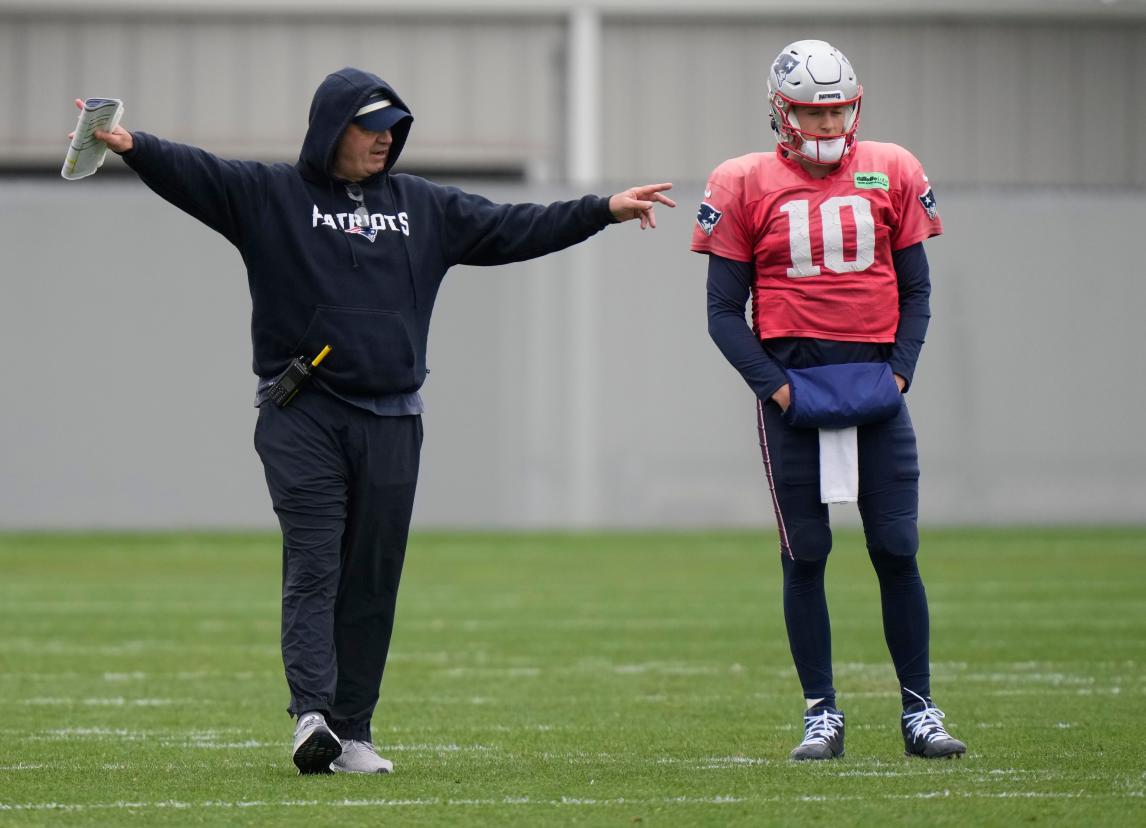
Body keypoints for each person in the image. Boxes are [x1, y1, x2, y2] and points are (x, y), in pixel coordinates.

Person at [72, 67, 675, 775]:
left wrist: (602, 208)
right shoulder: (273, 197)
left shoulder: (422, 206)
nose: (386, 141)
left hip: (394, 420)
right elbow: (195, 172)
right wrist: (129, 142)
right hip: (305, 414)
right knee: (316, 566)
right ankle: (312, 719)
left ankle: (353, 733)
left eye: (394, 128)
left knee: (373, 581)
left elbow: (515, 227)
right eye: (371, 127)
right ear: (333, 128)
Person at [692, 40, 966, 761]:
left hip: (876, 384)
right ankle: (822, 713)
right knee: (805, 553)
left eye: (838, 109)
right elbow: (724, 311)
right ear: (783, 114)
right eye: (814, 112)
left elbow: (917, 289)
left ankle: (919, 712)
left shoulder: (893, 168)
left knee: (897, 548)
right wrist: (776, 387)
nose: (827, 124)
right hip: (793, 387)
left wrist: (900, 373)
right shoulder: (743, 181)